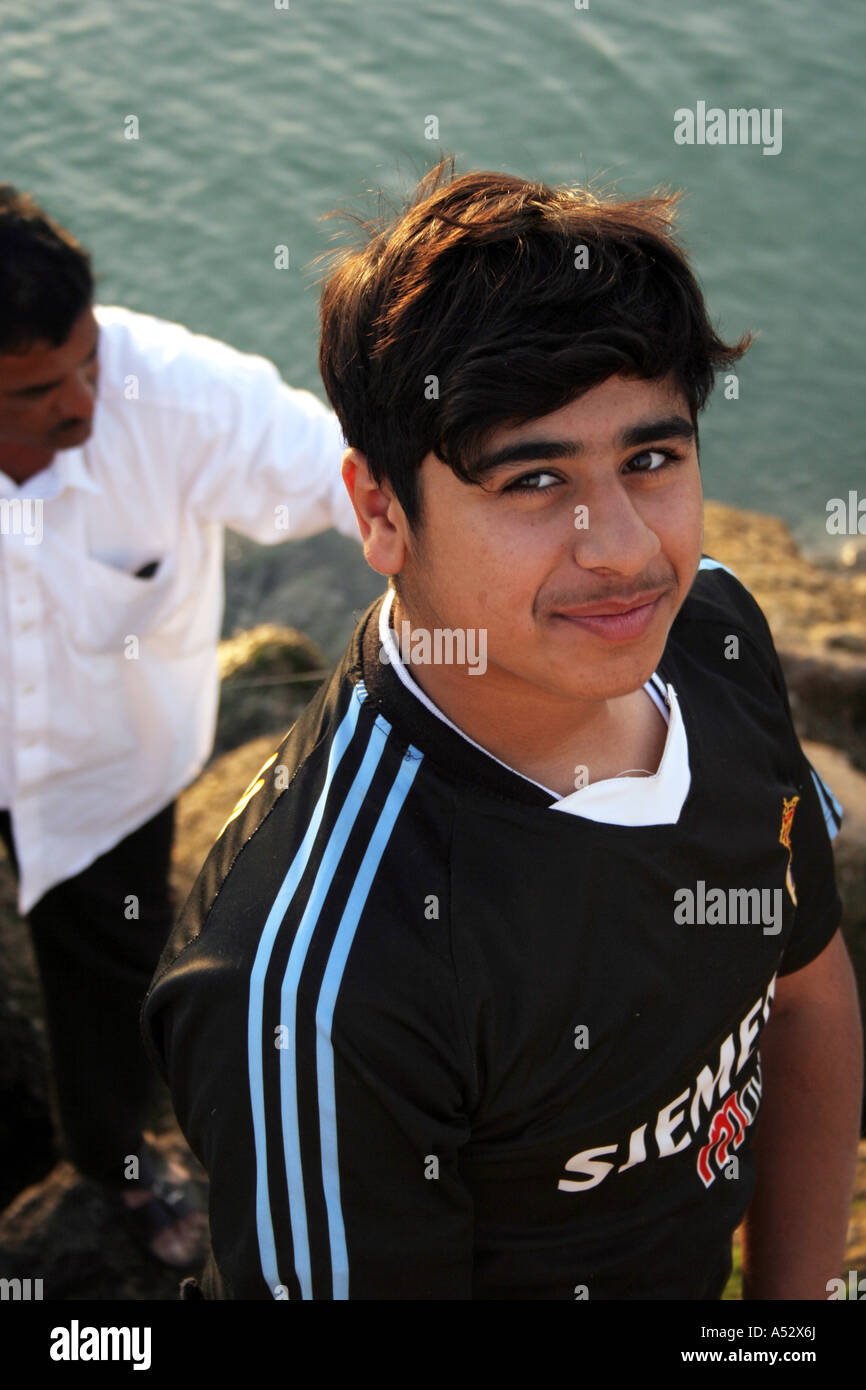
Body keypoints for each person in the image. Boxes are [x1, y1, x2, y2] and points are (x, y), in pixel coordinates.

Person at [141, 156, 863, 1299]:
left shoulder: (714, 628)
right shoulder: (316, 982)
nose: (622, 547)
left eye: (650, 457)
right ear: (379, 509)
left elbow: (806, 987)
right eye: (532, 480)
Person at [0, 185, 359, 1267]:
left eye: (85, 362)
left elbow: (360, 483)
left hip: (106, 778)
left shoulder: (176, 397)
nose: (79, 403)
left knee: (112, 982)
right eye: (33, 388)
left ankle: (118, 1160)